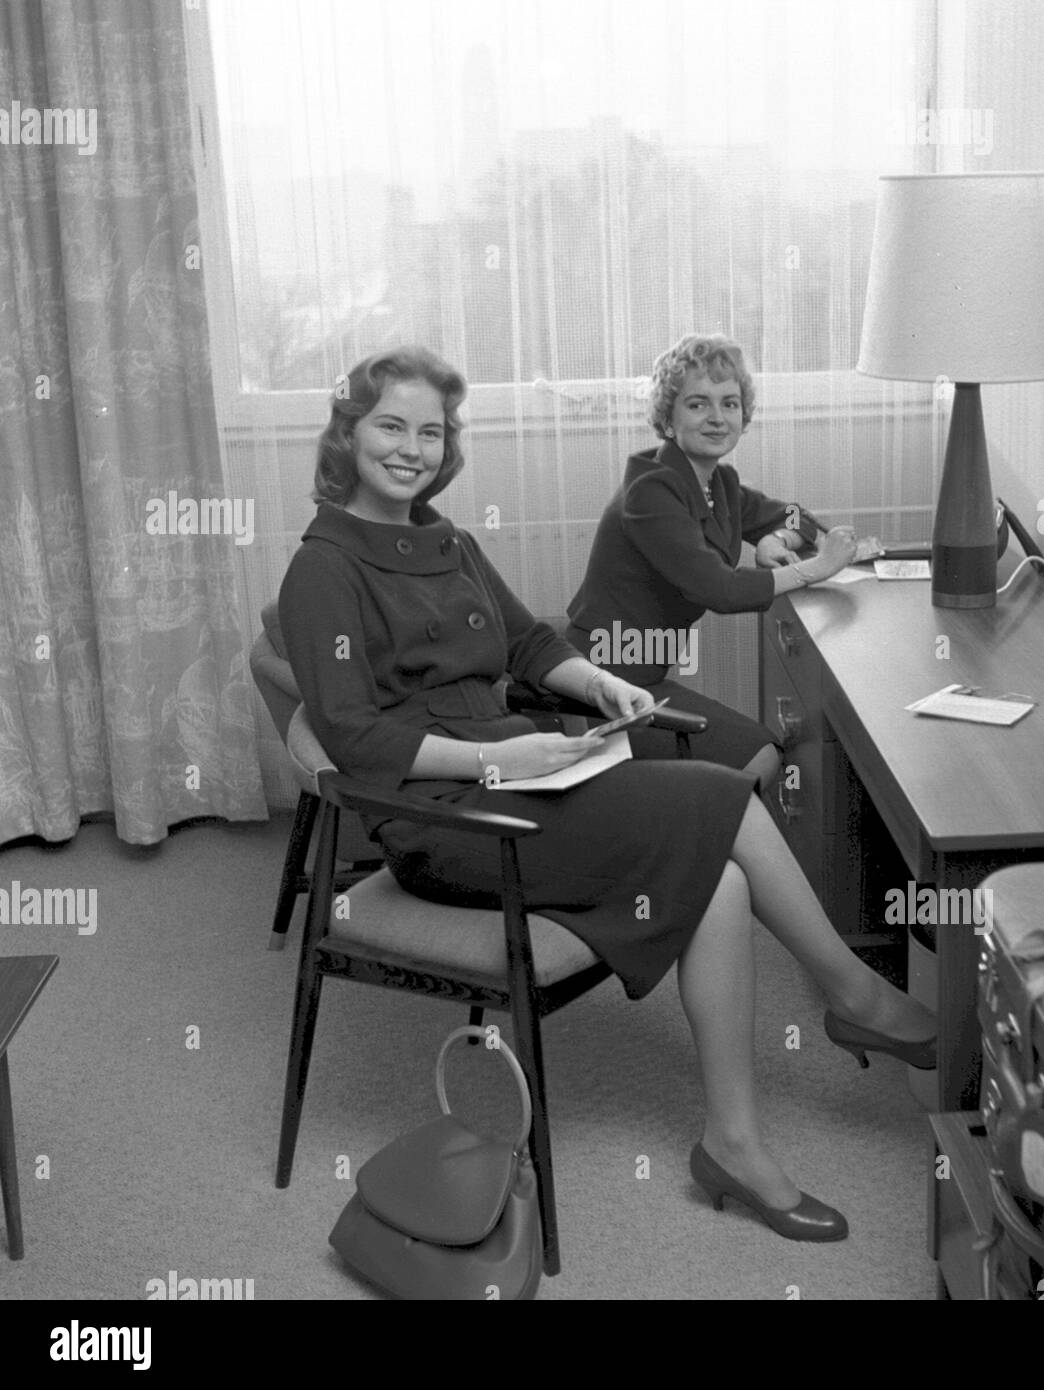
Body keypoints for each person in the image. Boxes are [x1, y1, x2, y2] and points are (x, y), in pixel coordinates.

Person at [277, 346, 935, 1244]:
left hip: (516, 770)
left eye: (430, 431)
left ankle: (734, 1144)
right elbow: (351, 738)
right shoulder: (323, 567)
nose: (411, 449)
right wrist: (502, 765)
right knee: (720, 798)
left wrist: (597, 686)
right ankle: (853, 997)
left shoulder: (448, 541)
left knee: (724, 882)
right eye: (390, 426)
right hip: (448, 820)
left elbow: (526, 645)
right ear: (348, 431)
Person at [565, 333, 861, 788]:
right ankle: (703, 852)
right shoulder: (653, 490)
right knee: (757, 760)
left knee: (759, 757)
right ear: (668, 418)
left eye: (730, 404)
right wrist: (816, 569)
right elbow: (718, 590)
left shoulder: (716, 482)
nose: (718, 418)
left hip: (642, 675)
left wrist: (771, 538)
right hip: (602, 687)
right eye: (699, 404)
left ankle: (708, 850)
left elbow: (795, 516)